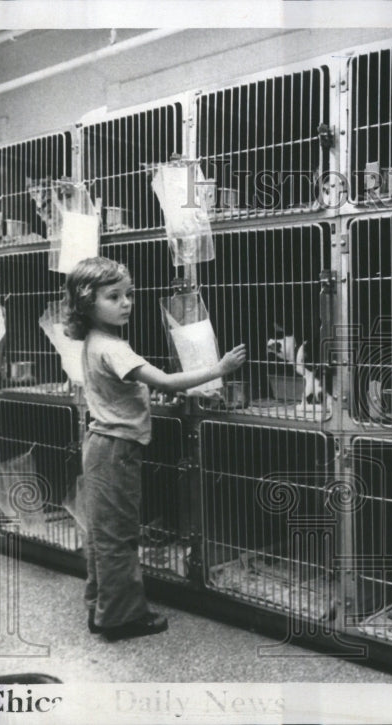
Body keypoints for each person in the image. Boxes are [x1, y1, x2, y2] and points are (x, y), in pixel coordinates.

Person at [64, 256, 246, 641]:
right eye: (114, 296)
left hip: (101, 446)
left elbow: (130, 389)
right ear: (87, 302)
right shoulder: (113, 348)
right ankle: (122, 618)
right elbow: (166, 380)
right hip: (116, 450)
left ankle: (101, 608)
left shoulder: (97, 341)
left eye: (128, 294)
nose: (126, 302)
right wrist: (219, 369)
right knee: (120, 537)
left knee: (103, 534)